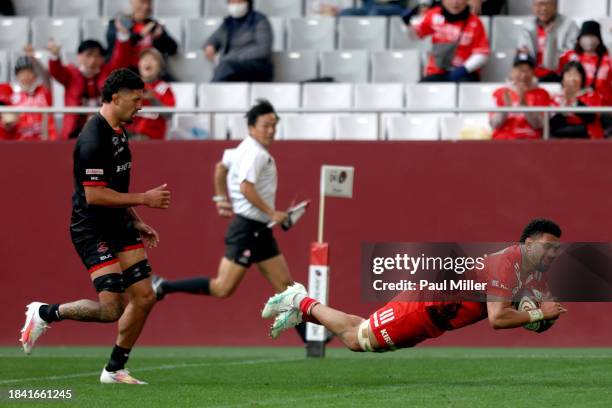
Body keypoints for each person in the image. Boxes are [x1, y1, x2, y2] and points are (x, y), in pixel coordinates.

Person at [19, 69, 172, 385]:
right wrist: (144, 199)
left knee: (144, 296)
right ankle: (45, 313)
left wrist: (136, 220)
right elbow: (95, 194)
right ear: (116, 98)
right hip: (92, 230)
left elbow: (113, 187)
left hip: (119, 224)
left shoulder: (119, 130)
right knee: (111, 308)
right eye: (136, 98)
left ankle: (115, 369)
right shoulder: (93, 137)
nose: (140, 105)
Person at [264, 219, 568, 352]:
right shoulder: (508, 263)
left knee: (362, 328)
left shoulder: (525, 272)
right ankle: (300, 300)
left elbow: (523, 308)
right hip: (424, 307)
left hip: (434, 315)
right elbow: (497, 318)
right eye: (547, 246)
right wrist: (538, 314)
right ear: (528, 244)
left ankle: (303, 314)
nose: (552, 253)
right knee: (358, 340)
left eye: (556, 249)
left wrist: (542, 315)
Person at [152, 100, 307, 336]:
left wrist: (220, 199)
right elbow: (246, 187)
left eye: (274, 125)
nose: (271, 130)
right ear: (251, 127)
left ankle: (311, 338)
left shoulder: (240, 150)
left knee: (285, 285)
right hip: (248, 228)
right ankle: (163, 286)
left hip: (259, 229)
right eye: (265, 125)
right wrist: (273, 213)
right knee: (222, 288)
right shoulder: (255, 153)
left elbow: (220, 168)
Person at [48, 21, 133, 140]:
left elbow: (121, 58)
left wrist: (123, 36)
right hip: (75, 133)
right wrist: (54, 56)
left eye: (97, 55)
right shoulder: (71, 73)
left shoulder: (109, 72)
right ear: (79, 56)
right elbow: (56, 72)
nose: (93, 59)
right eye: (88, 55)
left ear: (102, 58)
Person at [403, 0, 490, 82]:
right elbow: (416, 36)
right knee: (421, 90)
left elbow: (482, 53)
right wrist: (407, 24)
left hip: (466, 73)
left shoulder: (475, 22)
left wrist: (464, 69)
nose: (455, 3)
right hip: (437, 71)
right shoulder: (433, 15)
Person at [204, 0, 274, 82]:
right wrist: (210, 45)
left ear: (247, 2)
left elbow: (263, 50)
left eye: (239, 2)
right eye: (232, 2)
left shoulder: (259, 20)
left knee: (225, 66)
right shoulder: (228, 23)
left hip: (256, 67)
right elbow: (214, 38)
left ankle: (211, 92)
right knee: (224, 68)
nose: (235, 5)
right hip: (231, 68)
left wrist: (232, 57)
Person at [490, 53, 551, 140]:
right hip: (503, 140)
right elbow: (494, 124)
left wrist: (524, 105)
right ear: (512, 71)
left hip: (530, 141)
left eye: (527, 70)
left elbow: (540, 124)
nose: (523, 75)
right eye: (520, 70)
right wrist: (505, 109)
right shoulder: (500, 93)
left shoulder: (542, 94)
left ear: (533, 72)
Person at [517, 0, 579, 83]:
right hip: (532, 76)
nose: (543, 8)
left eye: (547, 4)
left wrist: (551, 40)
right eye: (539, 4)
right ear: (533, 6)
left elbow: (571, 52)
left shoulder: (569, 24)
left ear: (556, 5)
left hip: (559, 75)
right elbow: (522, 49)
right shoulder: (527, 26)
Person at [106, 0, 178, 68]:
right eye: (142, 1)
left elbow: (173, 49)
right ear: (132, 1)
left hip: (149, 72)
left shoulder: (153, 25)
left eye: (149, 2)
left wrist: (160, 37)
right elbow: (114, 42)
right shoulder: (120, 23)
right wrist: (140, 35)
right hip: (125, 71)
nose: (146, 6)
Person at [558, 21, 612, 107]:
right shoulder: (570, 56)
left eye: (593, 36)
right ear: (579, 39)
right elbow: (552, 67)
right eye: (585, 36)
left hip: (604, 108)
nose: (589, 40)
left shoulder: (608, 59)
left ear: (599, 40)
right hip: (575, 104)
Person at [127, 48, 175, 140]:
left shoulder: (164, 88)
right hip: (128, 135)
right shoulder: (129, 86)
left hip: (151, 139)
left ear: (160, 67)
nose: (148, 62)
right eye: (144, 59)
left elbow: (169, 115)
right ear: (139, 64)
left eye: (153, 59)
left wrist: (153, 99)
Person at [10, 46, 57, 141]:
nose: (25, 76)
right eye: (21, 73)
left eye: (29, 72)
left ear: (36, 75)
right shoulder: (12, 97)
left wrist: (33, 59)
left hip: (45, 142)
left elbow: (46, 77)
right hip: (20, 144)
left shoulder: (44, 91)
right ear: (17, 76)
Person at [550, 61, 604, 139]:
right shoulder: (556, 98)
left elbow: (591, 118)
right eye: (569, 74)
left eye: (576, 74)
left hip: (589, 139)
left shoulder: (591, 95)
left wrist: (574, 101)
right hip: (563, 141)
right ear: (562, 79)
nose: (572, 78)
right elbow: (553, 125)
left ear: (582, 78)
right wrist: (564, 105)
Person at [338, 0, 409, 16]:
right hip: (367, 8)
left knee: (375, 11)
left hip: (394, 7)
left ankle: (368, 42)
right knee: (345, 13)